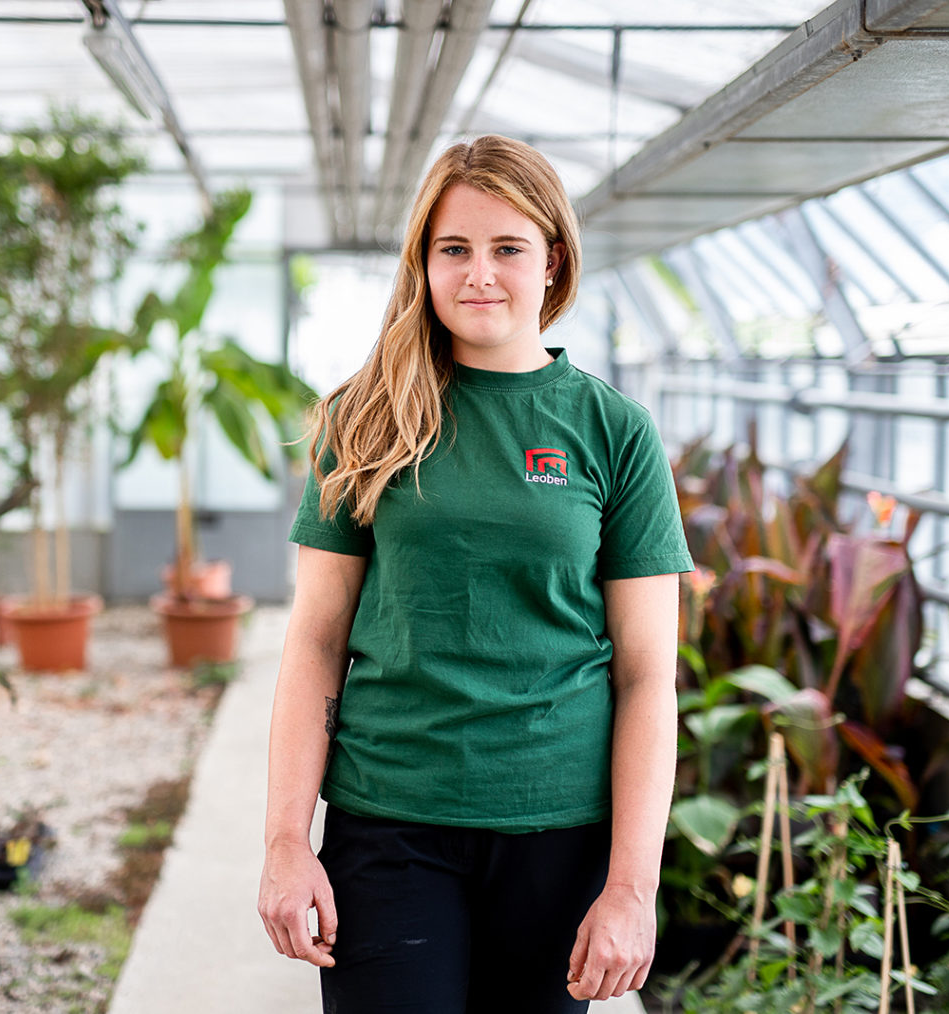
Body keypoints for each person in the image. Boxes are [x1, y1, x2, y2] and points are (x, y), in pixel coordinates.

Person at [257, 134, 693, 1013]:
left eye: (508, 248)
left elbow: (649, 676)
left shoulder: (614, 431)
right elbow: (314, 642)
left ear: (552, 260)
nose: (479, 274)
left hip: (559, 835)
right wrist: (284, 842)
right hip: (389, 826)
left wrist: (631, 889)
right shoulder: (366, 416)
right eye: (453, 249)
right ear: (422, 261)